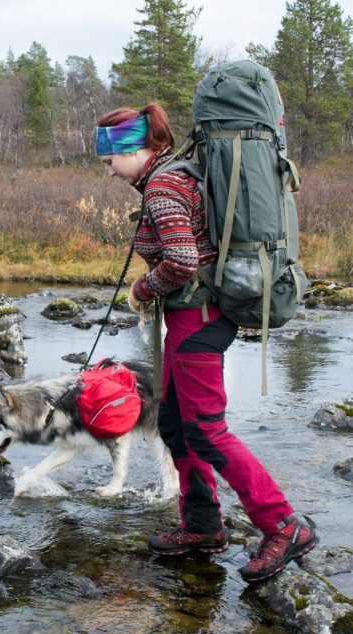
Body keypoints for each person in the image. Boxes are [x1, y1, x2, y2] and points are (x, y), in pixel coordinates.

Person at [95, 103, 318, 583]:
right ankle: (201, 524)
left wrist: (141, 290)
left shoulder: (163, 186)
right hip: (191, 319)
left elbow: (179, 260)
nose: (108, 170)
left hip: (198, 319)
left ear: (137, 149)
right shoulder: (173, 177)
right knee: (175, 422)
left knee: (206, 428)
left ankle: (282, 524)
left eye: (110, 158)